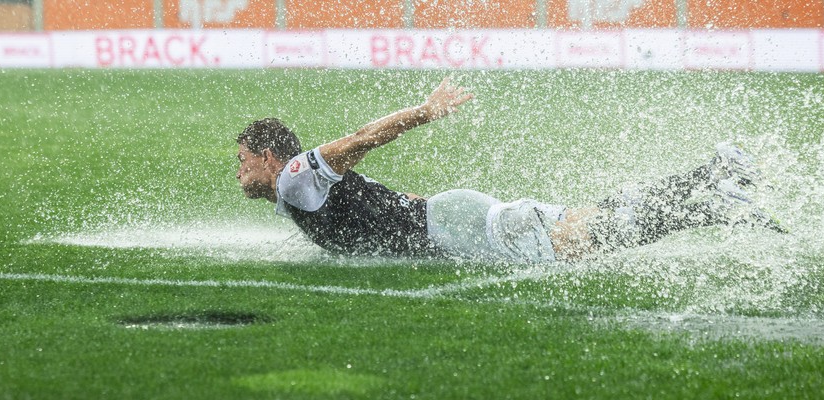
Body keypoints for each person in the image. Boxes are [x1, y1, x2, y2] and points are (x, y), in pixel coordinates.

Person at [235, 78, 784, 263]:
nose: (238, 174)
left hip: (459, 227)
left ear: (268, 157)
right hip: (453, 220)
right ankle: (711, 177)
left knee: (589, 241)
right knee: (593, 222)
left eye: (242, 162)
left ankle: (708, 204)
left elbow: (360, 139)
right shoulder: (298, 194)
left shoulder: (295, 176)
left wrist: (425, 111)